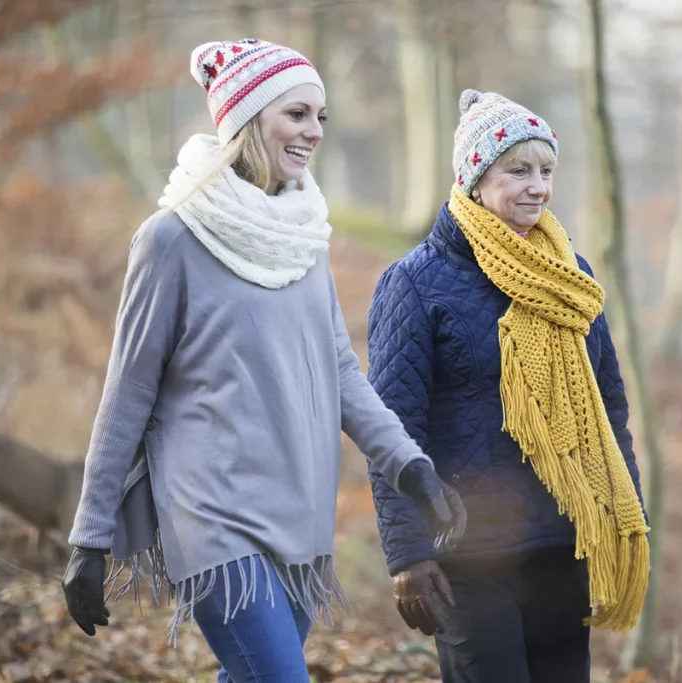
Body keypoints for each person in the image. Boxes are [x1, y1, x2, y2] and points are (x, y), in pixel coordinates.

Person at [59, 38, 466, 683]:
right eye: (296, 114)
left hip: (300, 509)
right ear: (247, 117)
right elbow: (128, 392)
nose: (313, 132)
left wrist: (410, 467)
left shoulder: (304, 238)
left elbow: (341, 374)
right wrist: (90, 535)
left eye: (320, 117)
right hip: (212, 512)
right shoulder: (171, 238)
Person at [365, 89, 651, 683]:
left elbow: (608, 404)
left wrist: (625, 512)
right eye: (517, 170)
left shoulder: (570, 274)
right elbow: (391, 428)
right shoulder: (415, 283)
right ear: (475, 177)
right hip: (469, 550)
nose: (537, 186)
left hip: (563, 539)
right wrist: (409, 552)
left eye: (546, 170)